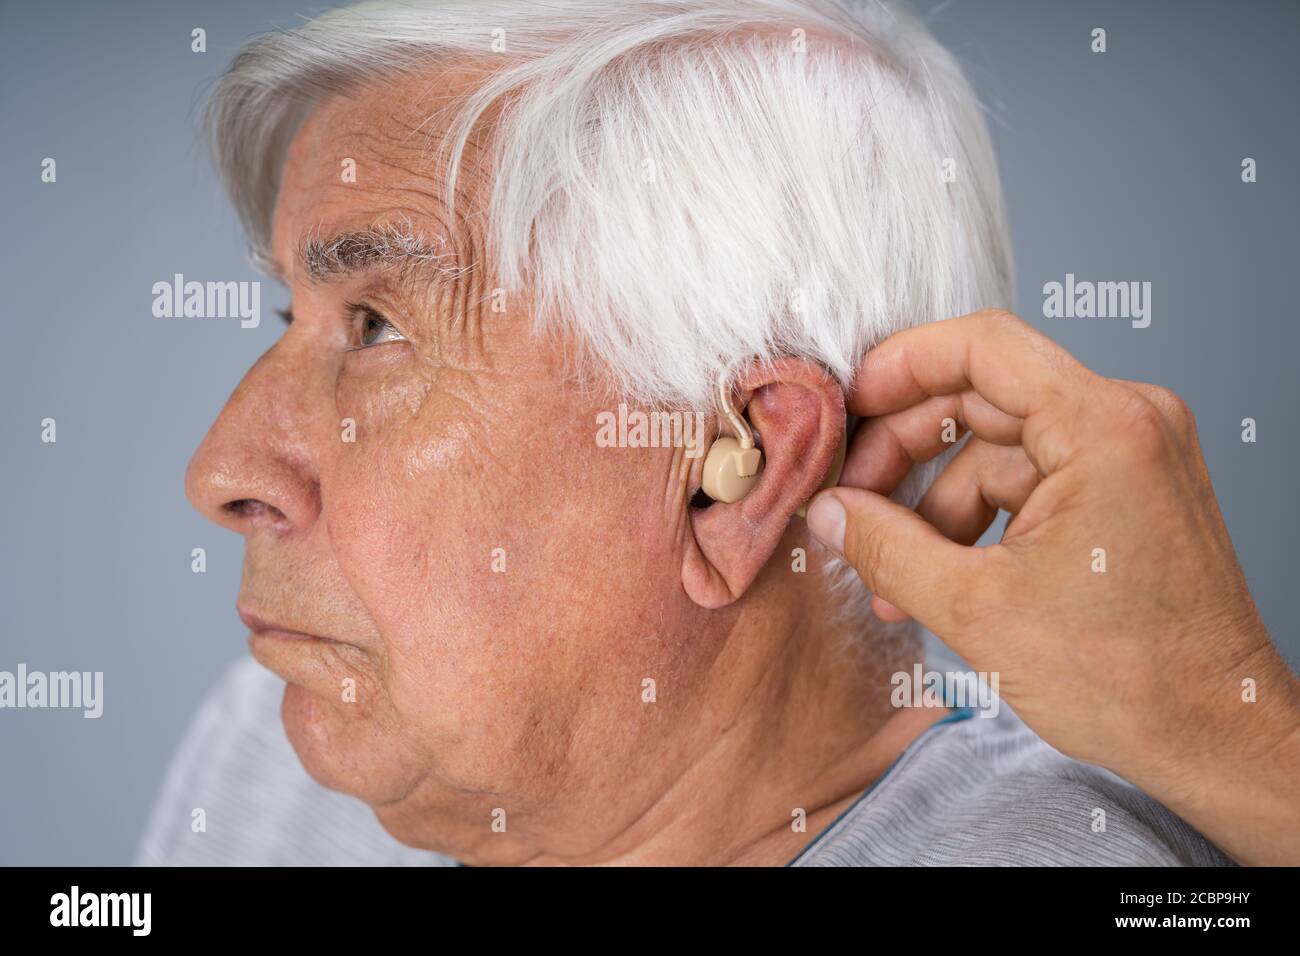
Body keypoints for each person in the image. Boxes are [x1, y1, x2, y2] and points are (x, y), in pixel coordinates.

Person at [137, 0, 1295, 866]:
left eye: (379, 325)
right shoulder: (283, 750)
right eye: (296, 315)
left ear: (731, 473)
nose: (221, 468)